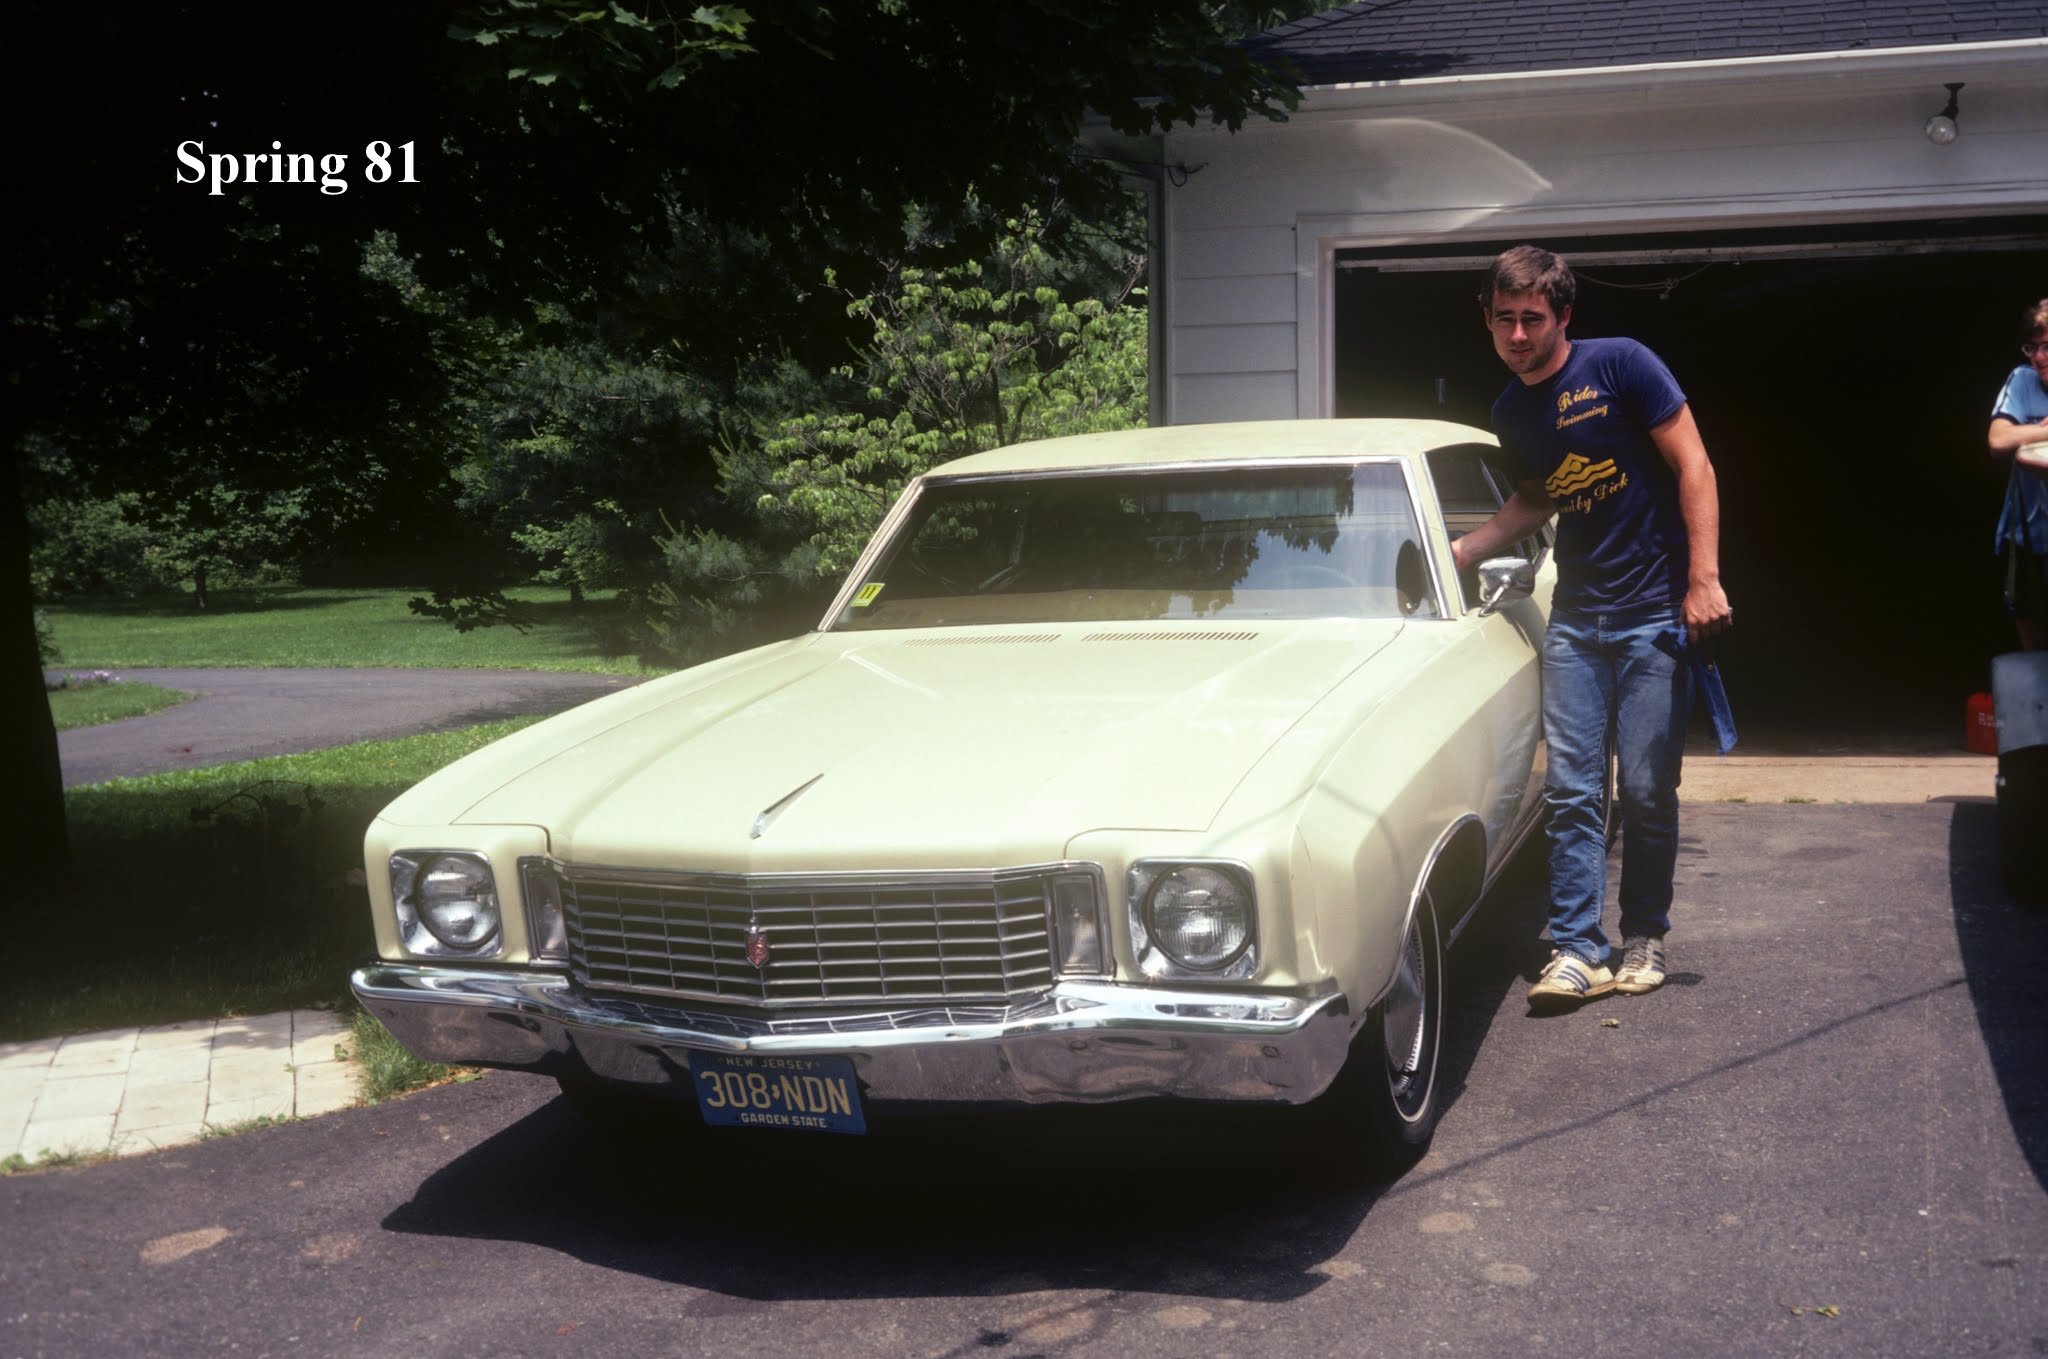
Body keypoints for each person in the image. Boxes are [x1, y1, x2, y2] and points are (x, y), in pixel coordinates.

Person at [1451, 245, 1733, 1009]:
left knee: (1644, 789)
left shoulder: (1622, 366)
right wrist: (1468, 547)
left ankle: (1643, 933)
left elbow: (1695, 465)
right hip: (1575, 618)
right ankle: (1577, 947)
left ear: (1563, 316)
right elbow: (1541, 495)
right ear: (1488, 319)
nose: (1517, 334)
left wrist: (1703, 579)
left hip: (1653, 617)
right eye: (1503, 319)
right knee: (1574, 790)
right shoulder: (1511, 410)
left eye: (1532, 318)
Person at [1988, 299, 2048, 651]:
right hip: (2025, 533)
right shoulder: (2023, 381)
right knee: (2031, 636)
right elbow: (1998, 440)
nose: (2039, 358)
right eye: (2033, 348)